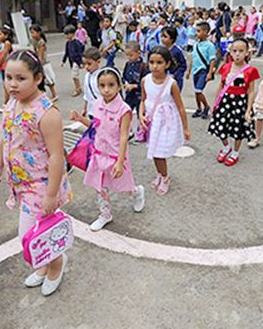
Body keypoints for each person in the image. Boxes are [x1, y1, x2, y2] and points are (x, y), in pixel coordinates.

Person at [0, 50, 71, 296]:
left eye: (20, 78)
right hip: (21, 183)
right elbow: (6, 136)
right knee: (39, 232)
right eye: (8, 77)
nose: (12, 84)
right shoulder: (12, 104)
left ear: (38, 78)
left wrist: (51, 195)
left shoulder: (47, 113)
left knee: (29, 234)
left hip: (42, 184)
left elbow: (57, 156)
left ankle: (56, 264)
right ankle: (44, 263)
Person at [70, 68, 145, 231]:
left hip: (116, 156)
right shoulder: (97, 104)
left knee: (123, 187)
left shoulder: (124, 110)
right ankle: (105, 214)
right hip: (98, 154)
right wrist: (80, 119)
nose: (106, 90)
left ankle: (137, 192)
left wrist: (120, 162)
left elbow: (124, 137)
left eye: (111, 85)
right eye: (102, 85)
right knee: (99, 187)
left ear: (119, 86)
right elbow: (95, 126)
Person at [139, 46, 190, 196]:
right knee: (155, 151)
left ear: (167, 64)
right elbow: (143, 100)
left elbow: (180, 107)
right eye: (151, 62)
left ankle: (165, 177)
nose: (155, 66)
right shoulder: (145, 80)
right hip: (151, 122)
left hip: (166, 124)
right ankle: (160, 174)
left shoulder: (171, 84)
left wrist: (185, 128)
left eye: (159, 62)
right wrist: (141, 115)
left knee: (159, 152)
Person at [208, 39, 259, 167]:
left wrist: (248, 110)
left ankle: (235, 152)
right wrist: (215, 103)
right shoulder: (226, 67)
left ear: (247, 52)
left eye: (241, 51)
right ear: (230, 52)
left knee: (238, 129)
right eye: (234, 51)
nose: (237, 54)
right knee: (220, 125)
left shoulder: (250, 70)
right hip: (225, 101)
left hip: (240, 103)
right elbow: (221, 86)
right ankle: (226, 147)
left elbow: (251, 91)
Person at [191, 22, 217, 119]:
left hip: (203, 70)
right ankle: (199, 108)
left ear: (205, 32)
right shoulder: (196, 44)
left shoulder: (209, 45)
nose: (196, 33)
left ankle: (206, 106)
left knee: (199, 90)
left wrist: (210, 73)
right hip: (195, 70)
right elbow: (193, 57)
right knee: (196, 91)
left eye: (198, 31)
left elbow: (212, 59)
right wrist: (189, 70)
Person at [29, 24, 59, 102]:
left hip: (43, 64)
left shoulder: (41, 43)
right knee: (44, 81)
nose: (32, 35)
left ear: (39, 32)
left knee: (48, 80)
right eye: (31, 33)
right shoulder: (35, 41)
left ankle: (54, 95)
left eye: (33, 32)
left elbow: (40, 56)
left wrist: (37, 65)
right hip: (41, 64)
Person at [122, 42, 148, 112]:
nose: (128, 58)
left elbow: (146, 83)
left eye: (131, 55)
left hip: (139, 96)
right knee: (126, 112)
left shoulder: (144, 66)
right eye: (127, 55)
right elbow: (124, 76)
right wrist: (125, 83)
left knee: (141, 113)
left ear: (138, 53)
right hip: (129, 94)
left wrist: (134, 86)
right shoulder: (128, 64)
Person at [0, 26, 14, 112]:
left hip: (7, 66)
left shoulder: (7, 43)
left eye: (0, 34)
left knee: (7, 86)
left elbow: (4, 55)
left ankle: (6, 104)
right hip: (1, 67)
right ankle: (9, 102)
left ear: (6, 35)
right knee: (5, 85)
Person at [160, 26, 187, 91]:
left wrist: (175, 75)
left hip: (175, 81)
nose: (162, 39)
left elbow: (183, 66)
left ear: (172, 39)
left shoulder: (176, 51)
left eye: (165, 37)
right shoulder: (161, 50)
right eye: (161, 36)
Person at [61, 24, 84, 97]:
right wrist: (63, 61)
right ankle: (78, 88)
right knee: (74, 76)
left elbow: (80, 53)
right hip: (71, 61)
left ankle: (77, 89)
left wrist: (81, 62)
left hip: (76, 61)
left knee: (74, 76)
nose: (66, 36)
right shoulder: (68, 43)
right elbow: (66, 53)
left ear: (72, 33)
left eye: (67, 34)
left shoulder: (77, 43)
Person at [81, 47, 103, 118]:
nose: (86, 67)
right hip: (91, 111)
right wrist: (84, 108)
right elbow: (87, 94)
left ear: (98, 61)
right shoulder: (87, 76)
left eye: (89, 64)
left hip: (102, 111)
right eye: (84, 64)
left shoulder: (102, 76)